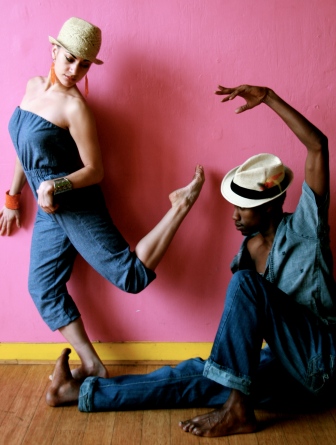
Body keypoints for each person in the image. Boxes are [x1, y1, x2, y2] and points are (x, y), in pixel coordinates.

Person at [45, 84, 336, 438]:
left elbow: (318, 146)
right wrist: (228, 369)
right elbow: (244, 332)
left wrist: (271, 98)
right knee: (201, 374)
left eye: (243, 207)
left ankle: (238, 411)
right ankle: (79, 392)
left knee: (244, 288)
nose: (234, 216)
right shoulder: (246, 253)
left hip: (323, 361)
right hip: (285, 371)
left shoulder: (307, 227)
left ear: (271, 206)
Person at [0, 17, 205, 381]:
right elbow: (23, 147)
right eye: (69, 59)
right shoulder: (32, 87)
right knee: (42, 287)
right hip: (49, 212)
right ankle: (93, 364)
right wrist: (13, 198)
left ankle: (180, 205)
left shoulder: (76, 108)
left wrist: (56, 186)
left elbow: (95, 171)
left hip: (76, 205)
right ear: (54, 50)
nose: (74, 70)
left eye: (83, 64)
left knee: (131, 278)